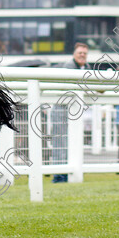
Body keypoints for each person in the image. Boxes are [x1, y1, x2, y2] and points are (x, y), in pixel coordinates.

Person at [52, 43, 90, 183]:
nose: (82, 55)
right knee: (60, 143)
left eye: (85, 53)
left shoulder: (86, 68)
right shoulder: (69, 66)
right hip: (61, 110)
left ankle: (67, 173)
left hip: (74, 111)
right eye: (80, 53)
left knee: (72, 143)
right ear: (74, 54)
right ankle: (59, 175)